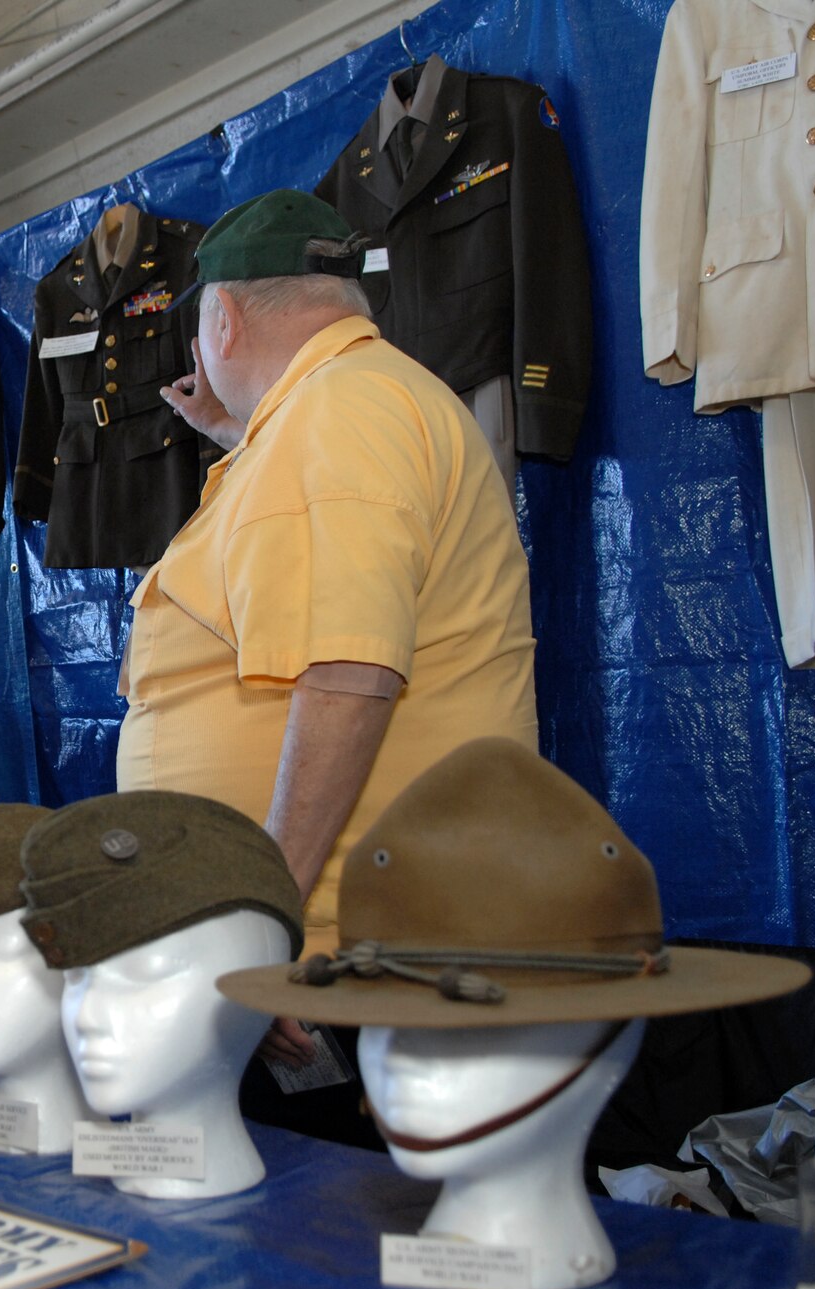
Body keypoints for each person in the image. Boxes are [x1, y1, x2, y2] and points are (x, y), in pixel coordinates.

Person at [120, 189, 538, 1133]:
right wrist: (242, 432)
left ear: (220, 321)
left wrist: (262, 922)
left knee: (336, 1215)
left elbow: (352, 676)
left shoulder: (338, 415)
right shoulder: (341, 410)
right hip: (352, 949)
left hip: (352, 959)